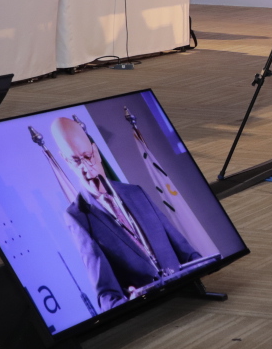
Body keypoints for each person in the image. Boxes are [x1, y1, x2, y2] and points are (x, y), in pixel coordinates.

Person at [48, 116, 202, 309]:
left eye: (87, 156)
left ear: (96, 151)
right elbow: (106, 297)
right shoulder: (77, 217)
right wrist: (130, 304)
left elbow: (186, 252)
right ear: (65, 160)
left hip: (190, 294)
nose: (86, 168)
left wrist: (203, 267)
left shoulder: (136, 192)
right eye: (76, 160)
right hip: (152, 310)